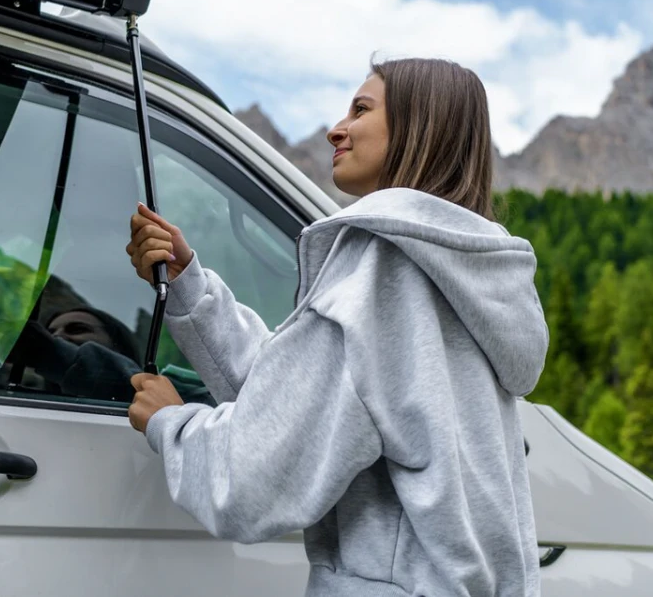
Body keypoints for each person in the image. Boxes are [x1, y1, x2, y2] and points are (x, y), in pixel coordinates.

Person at [125, 58, 549, 596]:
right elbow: (300, 396)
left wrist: (171, 420)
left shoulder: (383, 265)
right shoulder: (465, 277)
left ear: (417, 128)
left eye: (361, 109)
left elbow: (255, 480)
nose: (336, 129)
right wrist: (190, 288)